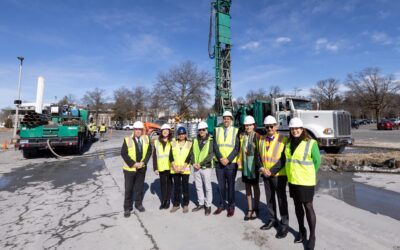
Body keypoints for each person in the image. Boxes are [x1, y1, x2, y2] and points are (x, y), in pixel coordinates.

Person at [285, 117, 321, 250]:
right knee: (297, 207)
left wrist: (309, 173)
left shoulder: (311, 143)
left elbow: (317, 161)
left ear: (302, 129)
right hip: (293, 180)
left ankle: (312, 236)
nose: (295, 131)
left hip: (305, 181)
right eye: (293, 129)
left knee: (308, 206)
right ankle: (301, 231)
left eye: (297, 128)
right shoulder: (288, 144)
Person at [258, 115, 289, 239]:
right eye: (267, 126)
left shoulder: (283, 139)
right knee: (270, 199)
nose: (270, 128)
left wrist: (271, 171)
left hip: (278, 175)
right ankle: (272, 219)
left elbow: (283, 158)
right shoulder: (261, 140)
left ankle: (284, 224)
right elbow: (259, 157)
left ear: (276, 126)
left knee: (281, 200)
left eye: (272, 126)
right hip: (266, 174)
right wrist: (261, 168)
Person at [121, 121, 152, 217]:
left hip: (141, 168)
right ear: (134, 130)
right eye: (136, 129)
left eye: (140, 129)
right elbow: (124, 153)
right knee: (129, 189)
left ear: (142, 130)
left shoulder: (146, 138)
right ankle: (127, 208)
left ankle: (138, 204)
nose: (138, 131)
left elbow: (149, 151)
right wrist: (133, 164)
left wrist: (144, 162)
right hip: (130, 169)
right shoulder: (127, 140)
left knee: (139, 188)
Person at [213, 110, 240, 217]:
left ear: (231, 120)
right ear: (222, 119)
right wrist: (220, 158)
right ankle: (221, 205)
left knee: (231, 186)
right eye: (224, 118)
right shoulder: (217, 130)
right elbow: (215, 145)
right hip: (219, 163)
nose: (226, 120)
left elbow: (237, 147)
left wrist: (228, 159)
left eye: (228, 118)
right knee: (221, 186)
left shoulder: (236, 131)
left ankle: (231, 206)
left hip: (231, 164)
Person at [237, 116, 260, 221]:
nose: (248, 127)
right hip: (245, 166)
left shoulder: (257, 136)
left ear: (253, 125)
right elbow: (240, 150)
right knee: (247, 187)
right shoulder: (242, 136)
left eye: (250, 125)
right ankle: (250, 209)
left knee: (255, 187)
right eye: (246, 125)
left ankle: (256, 208)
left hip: (254, 167)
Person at [191, 121, 214, 216]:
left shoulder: (211, 139)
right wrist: (193, 163)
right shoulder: (195, 140)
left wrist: (201, 163)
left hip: (206, 167)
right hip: (196, 167)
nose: (201, 131)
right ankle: (200, 203)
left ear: (206, 130)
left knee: (207, 187)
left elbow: (211, 154)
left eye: (203, 130)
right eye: (200, 130)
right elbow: (192, 153)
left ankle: (208, 205)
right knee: (198, 186)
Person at [170, 127, 192, 213]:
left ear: (185, 134)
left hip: (185, 169)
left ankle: (185, 204)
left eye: (183, 134)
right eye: (180, 134)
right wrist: (174, 166)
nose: (181, 135)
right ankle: (176, 204)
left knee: (185, 187)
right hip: (175, 169)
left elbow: (190, 156)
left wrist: (184, 166)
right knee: (176, 187)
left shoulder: (189, 143)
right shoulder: (173, 143)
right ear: (177, 135)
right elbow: (170, 155)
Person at [153, 124, 174, 210]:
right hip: (161, 166)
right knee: (162, 184)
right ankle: (163, 201)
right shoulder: (157, 142)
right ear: (161, 131)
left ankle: (168, 200)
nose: (165, 131)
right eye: (163, 130)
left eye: (167, 130)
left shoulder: (173, 141)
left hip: (170, 166)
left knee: (169, 183)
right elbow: (154, 155)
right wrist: (155, 168)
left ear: (169, 131)